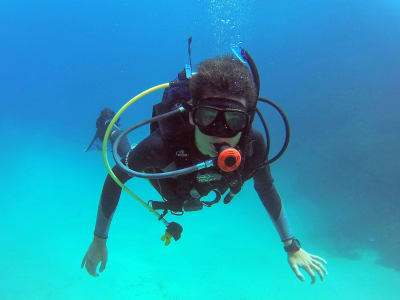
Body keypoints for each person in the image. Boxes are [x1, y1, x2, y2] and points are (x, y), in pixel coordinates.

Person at [81, 55, 328, 283]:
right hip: (166, 180)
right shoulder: (160, 146)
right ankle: (107, 126)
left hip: (191, 189)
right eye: (208, 116)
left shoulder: (252, 145)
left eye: (234, 120)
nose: (220, 131)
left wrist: (291, 246)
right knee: (127, 157)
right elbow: (115, 179)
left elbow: (265, 186)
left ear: (247, 121)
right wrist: (99, 241)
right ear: (191, 115)